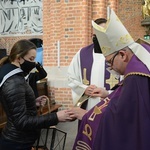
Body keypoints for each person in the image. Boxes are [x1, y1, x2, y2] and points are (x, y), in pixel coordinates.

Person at [70, 9, 150, 150]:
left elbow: (124, 120)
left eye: (110, 62)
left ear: (122, 55)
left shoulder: (136, 76)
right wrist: (107, 95)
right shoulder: (143, 55)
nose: (111, 68)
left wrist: (88, 116)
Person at [0, 39, 73, 150]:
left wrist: (33, 102)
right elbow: (21, 121)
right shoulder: (14, 81)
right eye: (31, 59)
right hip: (16, 142)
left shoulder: (15, 77)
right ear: (19, 58)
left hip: (19, 140)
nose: (33, 63)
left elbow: (16, 107)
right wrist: (56, 117)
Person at [67, 18, 118, 111]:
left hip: (111, 105)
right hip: (88, 105)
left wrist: (108, 93)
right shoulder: (82, 54)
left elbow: (127, 83)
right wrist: (84, 89)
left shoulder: (119, 54)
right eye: (95, 34)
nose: (98, 37)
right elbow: (71, 77)